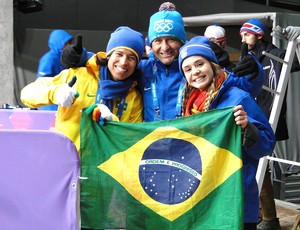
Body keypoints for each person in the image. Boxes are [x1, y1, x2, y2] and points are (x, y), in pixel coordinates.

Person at [61, 3, 263, 122]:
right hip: (151, 147)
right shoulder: (142, 68)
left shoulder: (195, 71)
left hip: (189, 145)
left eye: (171, 39)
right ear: (151, 44)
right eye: (158, 41)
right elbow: (111, 63)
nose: (164, 47)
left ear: (181, 41)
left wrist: (254, 71)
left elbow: (243, 88)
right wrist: (77, 57)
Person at [178, 35, 276, 230]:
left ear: (213, 65)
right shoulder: (185, 104)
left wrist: (247, 128)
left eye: (200, 64)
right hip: (201, 199)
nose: (195, 72)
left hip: (235, 199)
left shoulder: (237, 97)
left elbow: (267, 143)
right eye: (187, 69)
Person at [21, 26, 144, 152]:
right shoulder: (79, 76)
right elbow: (26, 94)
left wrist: (114, 123)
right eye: (119, 54)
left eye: (131, 58)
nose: (123, 62)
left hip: (104, 166)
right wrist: (56, 93)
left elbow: (134, 138)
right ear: (109, 56)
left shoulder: (133, 95)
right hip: (67, 160)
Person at [239, 18, 300, 230]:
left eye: (247, 34)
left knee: (260, 166)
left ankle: (268, 217)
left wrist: (298, 40)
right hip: (251, 117)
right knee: (253, 165)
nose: (243, 38)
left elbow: (296, 62)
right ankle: (263, 215)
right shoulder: (249, 57)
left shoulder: (276, 55)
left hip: (267, 120)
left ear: (259, 34)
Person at [37, 29, 73, 111]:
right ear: (58, 43)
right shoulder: (48, 59)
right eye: (66, 43)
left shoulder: (65, 58)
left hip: (62, 102)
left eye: (69, 43)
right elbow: (42, 82)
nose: (68, 45)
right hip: (50, 105)